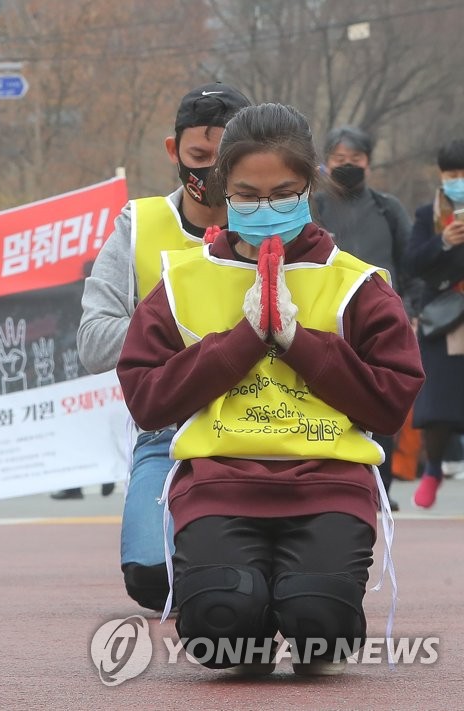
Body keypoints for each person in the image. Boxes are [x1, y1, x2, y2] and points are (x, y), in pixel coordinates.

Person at [118, 102, 423, 675]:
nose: (266, 209)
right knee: (220, 628)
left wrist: (298, 340)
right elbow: (147, 399)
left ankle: (302, 603)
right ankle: (248, 608)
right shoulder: (182, 279)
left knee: (319, 629)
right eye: (248, 196)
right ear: (221, 191)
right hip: (218, 482)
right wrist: (243, 340)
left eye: (283, 193)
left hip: (328, 483)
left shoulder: (356, 283)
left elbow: (392, 400)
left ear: (310, 187)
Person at [75, 81, 251, 611]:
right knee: (150, 577)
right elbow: (91, 341)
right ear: (174, 152)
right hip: (169, 431)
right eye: (199, 157)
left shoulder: (281, 225)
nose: (211, 172)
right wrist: (173, 325)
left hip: (263, 427)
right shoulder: (138, 228)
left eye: (226, 159)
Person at [313, 125, 418, 510]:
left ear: (368, 164)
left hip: (382, 321)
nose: (348, 166)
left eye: (355, 160)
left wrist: (411, 309)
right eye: (340, 160)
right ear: (327, 163)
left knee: (380, 401)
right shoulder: (314, 206)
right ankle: (336, 485)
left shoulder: (387, 208)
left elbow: (411, 263)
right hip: (326, 319)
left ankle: (381, 488)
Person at [406, 138, 464, 509]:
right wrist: (442, 242)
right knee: (438, 401)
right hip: (442, 318)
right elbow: (413, 263)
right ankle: (432, 469)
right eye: (451, 173)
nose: (456, 180)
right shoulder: (429, 215)